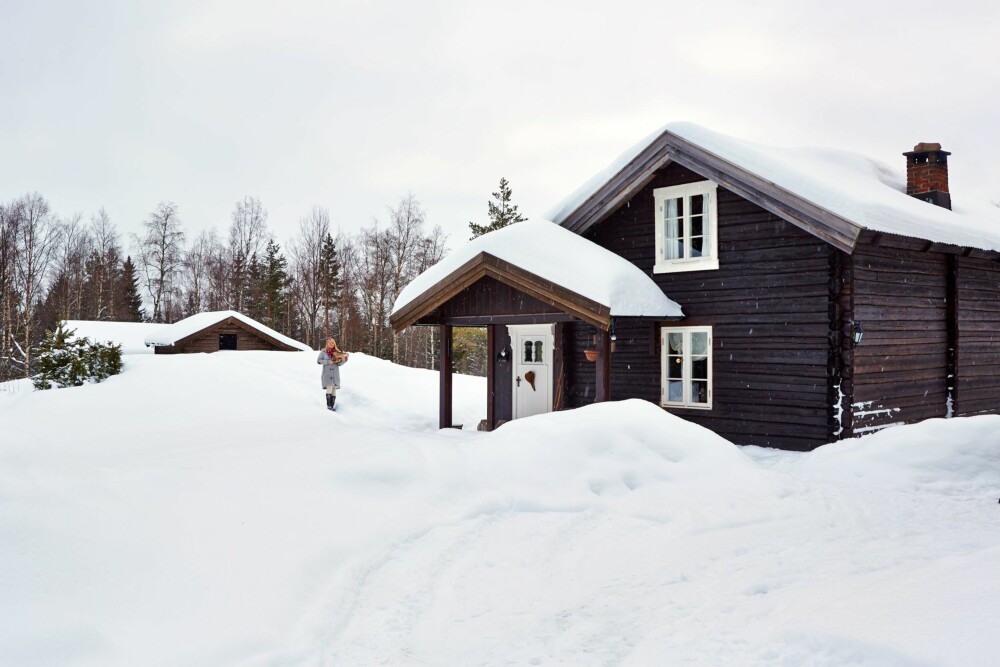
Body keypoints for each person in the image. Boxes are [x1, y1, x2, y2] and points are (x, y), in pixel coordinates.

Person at [317, 338, 349, 411]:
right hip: (327, 373)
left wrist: (344, 358)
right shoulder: (323, 351)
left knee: (334, 389)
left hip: (335, 373)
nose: (332, 344)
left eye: (333, 343)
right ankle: (329, 406)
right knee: (329, 387)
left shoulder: (337, 352)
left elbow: (339, 363)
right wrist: (328, 362)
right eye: (330, 343)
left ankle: (332, 405)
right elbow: (319, 360)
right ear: (327, 344)